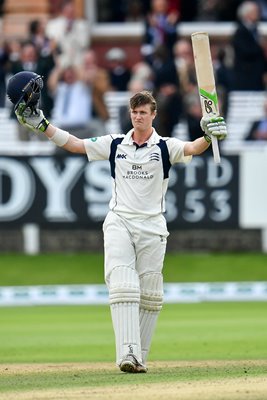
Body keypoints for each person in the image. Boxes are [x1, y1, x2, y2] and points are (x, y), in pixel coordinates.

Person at [15, 90, 227, 373]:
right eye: (134, 112)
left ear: (153, 115)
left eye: (143, 113)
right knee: (124, 285)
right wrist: (43, 125)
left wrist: (211, 134)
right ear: (130, 114)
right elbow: (76, 144)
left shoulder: (165, 146)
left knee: (151, 295)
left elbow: (192, 148)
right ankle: (127, 353)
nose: (138, 117)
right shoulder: (115, 143)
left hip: (153, 225)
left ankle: (138, 357)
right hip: (120, 221)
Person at [231, 1, 267, 91]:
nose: (258, 14)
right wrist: (261, 46)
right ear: (247, 14)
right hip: (246, 77)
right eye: (255, 11)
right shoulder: (240, 31)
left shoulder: (255, 30)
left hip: (257, 78)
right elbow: (245, 51)